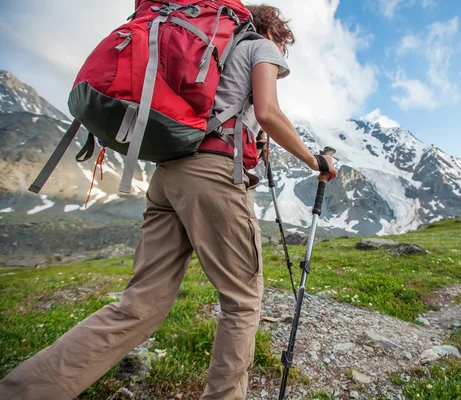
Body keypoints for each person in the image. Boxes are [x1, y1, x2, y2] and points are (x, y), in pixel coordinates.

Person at [0, 3, 337, 400]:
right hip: (212, 176)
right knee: (243, 301)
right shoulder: (259, 46)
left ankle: (22, 391)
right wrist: (317, 161)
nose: (283, 52)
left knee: (139, 306)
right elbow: (268, 111)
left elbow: (222, 109)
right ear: (273, 32)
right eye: (284, 44)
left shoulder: (217, 49)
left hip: (169, 174)